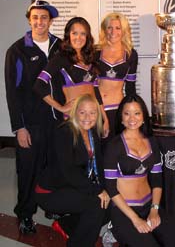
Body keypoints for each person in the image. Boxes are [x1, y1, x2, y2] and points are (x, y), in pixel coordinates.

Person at [104, 94, 175, 247]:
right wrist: (135, 219)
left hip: (149, 206)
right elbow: (111, 188)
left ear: (144, 116)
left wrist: (154, 210)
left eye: (137, 113)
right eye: (127, 113)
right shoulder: (114, 146)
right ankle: (114, 229)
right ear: (121, 118)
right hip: (124, 210)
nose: (132, 118)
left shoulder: (151, 142)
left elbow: (157, 180)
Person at [4, 0, 61, 233]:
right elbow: (12, 92)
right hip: (31, 123)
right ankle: (25, 213)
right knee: (28, 170)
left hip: (58, 122)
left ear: (50, 20)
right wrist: (20, 127)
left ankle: (52, 206)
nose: (40, 22)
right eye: (35, 17)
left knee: (55, 167)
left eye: (44, 17)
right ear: (29, 19)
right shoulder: (17, 50)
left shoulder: (60, 46)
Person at [35, 94, 109, 246]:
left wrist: (106, 189)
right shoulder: (65, 132)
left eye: (92, 112)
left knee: (110, 204)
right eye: (82, 112)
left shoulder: (92, 132)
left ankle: (66, 225)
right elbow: (68, 171)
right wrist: (97, 191)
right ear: (75, 112)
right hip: (50, 192)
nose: (87, 117)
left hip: (72, 186)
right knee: (96, 203)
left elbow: (99, 165)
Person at [34, 16, 109, 137]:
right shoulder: (61, 58)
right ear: (68, 35)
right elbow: (39, 85)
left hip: (92, 119)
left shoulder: (91, 58)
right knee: (75, 154)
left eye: (83, 34)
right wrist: (60, 107)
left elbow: (95, 90)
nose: (78, 38)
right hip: (72, 120)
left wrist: (104, 119)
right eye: (74, 33)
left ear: (87, 36)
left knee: (92, 154)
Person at [96, 12, 138, 141]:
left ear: (124, 31)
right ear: (104, 29)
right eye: (109, 27)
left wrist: (134, 112)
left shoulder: (131, 54)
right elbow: (92, 86)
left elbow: (130, 87)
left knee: (115, 151)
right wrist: (102, 115)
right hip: (97, 109)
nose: (113, 31)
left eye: (118, 28)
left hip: (118, 110)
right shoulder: (95, 52)